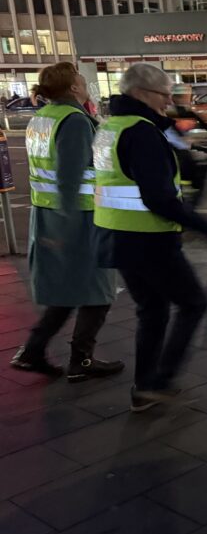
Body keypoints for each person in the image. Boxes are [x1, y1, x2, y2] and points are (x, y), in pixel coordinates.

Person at [93, 63, 207, 412]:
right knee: (193, 303)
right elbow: (158, 197)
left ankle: (144, 387)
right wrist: (203, 226)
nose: (168, 103)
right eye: (164, 96)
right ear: (141, 94)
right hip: (148, 238)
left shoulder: (110, 127)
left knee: (153, 309)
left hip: (115, 235)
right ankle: (159, 381)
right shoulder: (142, 131)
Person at [11, 63, 123, 381]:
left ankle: (32, 351)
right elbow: (70, 179)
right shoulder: (73, 121)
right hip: (78, 219)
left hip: (48, 215)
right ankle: (81, 360)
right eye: (81, 78)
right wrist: (67, 229)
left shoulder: (43, 118)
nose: (85, 82)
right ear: (73, 87)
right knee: (99, 290)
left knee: (68, 292)